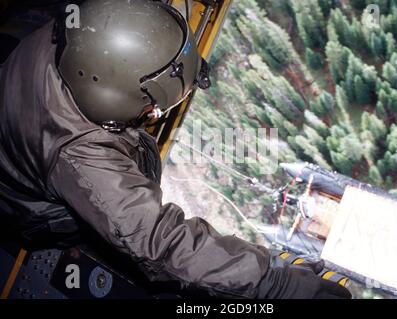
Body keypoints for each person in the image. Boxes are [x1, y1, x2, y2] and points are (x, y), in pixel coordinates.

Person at [0, 0, 351, 299]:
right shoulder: (82, 159)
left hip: (17, 112)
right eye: (152, 108)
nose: (155, 114)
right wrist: (278, 284)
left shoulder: (86, 34)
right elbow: (162, 242)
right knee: (113, 243)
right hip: (33, 207)